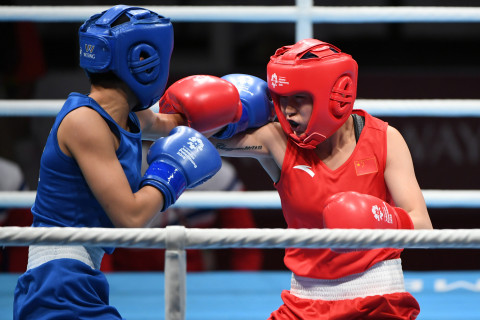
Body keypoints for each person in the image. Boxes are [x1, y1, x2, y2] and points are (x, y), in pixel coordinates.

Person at [159, 39, 433, 319]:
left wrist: (379, 219)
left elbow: (423, 226)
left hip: (378, 301)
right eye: (281, 98)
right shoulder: (278, 141)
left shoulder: (384, 139)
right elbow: (192, 137)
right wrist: (195, 115)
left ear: (335, 95)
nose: (287, 111)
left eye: (298, 99)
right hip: (303, 304)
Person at [13, 5, 228, 319]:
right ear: (146, 59)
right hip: (57, 283)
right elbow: (132, 217)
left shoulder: (124, 116)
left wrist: (237, 117)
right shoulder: (85, 123)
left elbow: (179, 126)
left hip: (77, 277)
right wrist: (173, 172)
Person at [109, 158, 263, 272]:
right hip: (127, 273)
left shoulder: (220, 176)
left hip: (192, 276)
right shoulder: (126, 171)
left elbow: (246, 248)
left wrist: (240, 293)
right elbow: (100, 238)